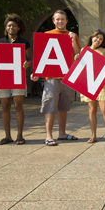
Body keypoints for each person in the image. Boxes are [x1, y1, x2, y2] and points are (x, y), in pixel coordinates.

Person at [31, 10, 81, 146]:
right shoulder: (47, 35)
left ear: (66, 21)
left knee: (64, 106)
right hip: (52, 78)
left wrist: (72, 40)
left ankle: (62, 133)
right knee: (50, 105)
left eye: (63, 19)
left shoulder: (72, 35)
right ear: (53, 21)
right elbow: (41, 55)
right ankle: (48, 136)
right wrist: (36, 72)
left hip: (68, 77)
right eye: (57, 19)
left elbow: (78, 55)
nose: (60, 21)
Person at [0, 14, 32, 145]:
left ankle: (20, 135)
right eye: (9, 25)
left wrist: (28, 63)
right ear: (6, 27)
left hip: (18, 77)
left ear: (18, 28)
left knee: (18, 106)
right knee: (5, 107)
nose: (12, 27)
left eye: (14, 26)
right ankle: (7, 136)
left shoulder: (24, 42)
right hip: (3, 78)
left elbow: (30, 58)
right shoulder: (0, 42)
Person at [77, 29, 105, 143]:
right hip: (89, 82)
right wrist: (77, 60)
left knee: (104, 109)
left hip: (102, 83)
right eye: (96, 37)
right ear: (92, 37)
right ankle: (93, 135)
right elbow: (81, 68)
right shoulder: (84, 50)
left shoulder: (104, 51)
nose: (98, 40)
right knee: (92, 110)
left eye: (101, 39)